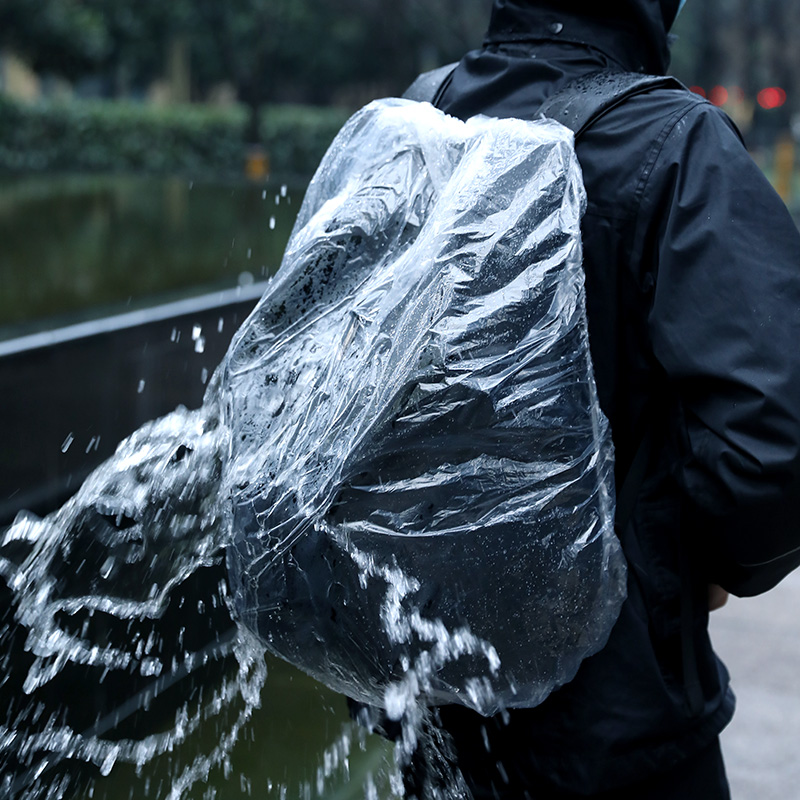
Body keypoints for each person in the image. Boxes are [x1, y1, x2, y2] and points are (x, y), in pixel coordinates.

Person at [394, 1, 800, 797]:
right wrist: (699, 564)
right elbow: (775, 448)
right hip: (623, 728)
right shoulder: (680, 146)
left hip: (433, 709)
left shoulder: (418, 117)